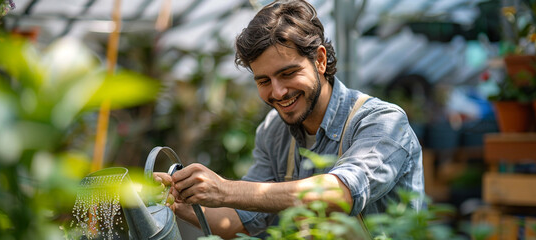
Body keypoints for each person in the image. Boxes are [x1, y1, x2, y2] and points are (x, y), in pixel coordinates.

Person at [153, 0, 425, 238]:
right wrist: (177, 203)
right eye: (264, 80)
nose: (278, 92)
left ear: (319, 60)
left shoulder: (382, 122)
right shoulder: (274, 131)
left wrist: (224, 190)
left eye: (287, 73)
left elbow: (340, 193)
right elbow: (241, 221)